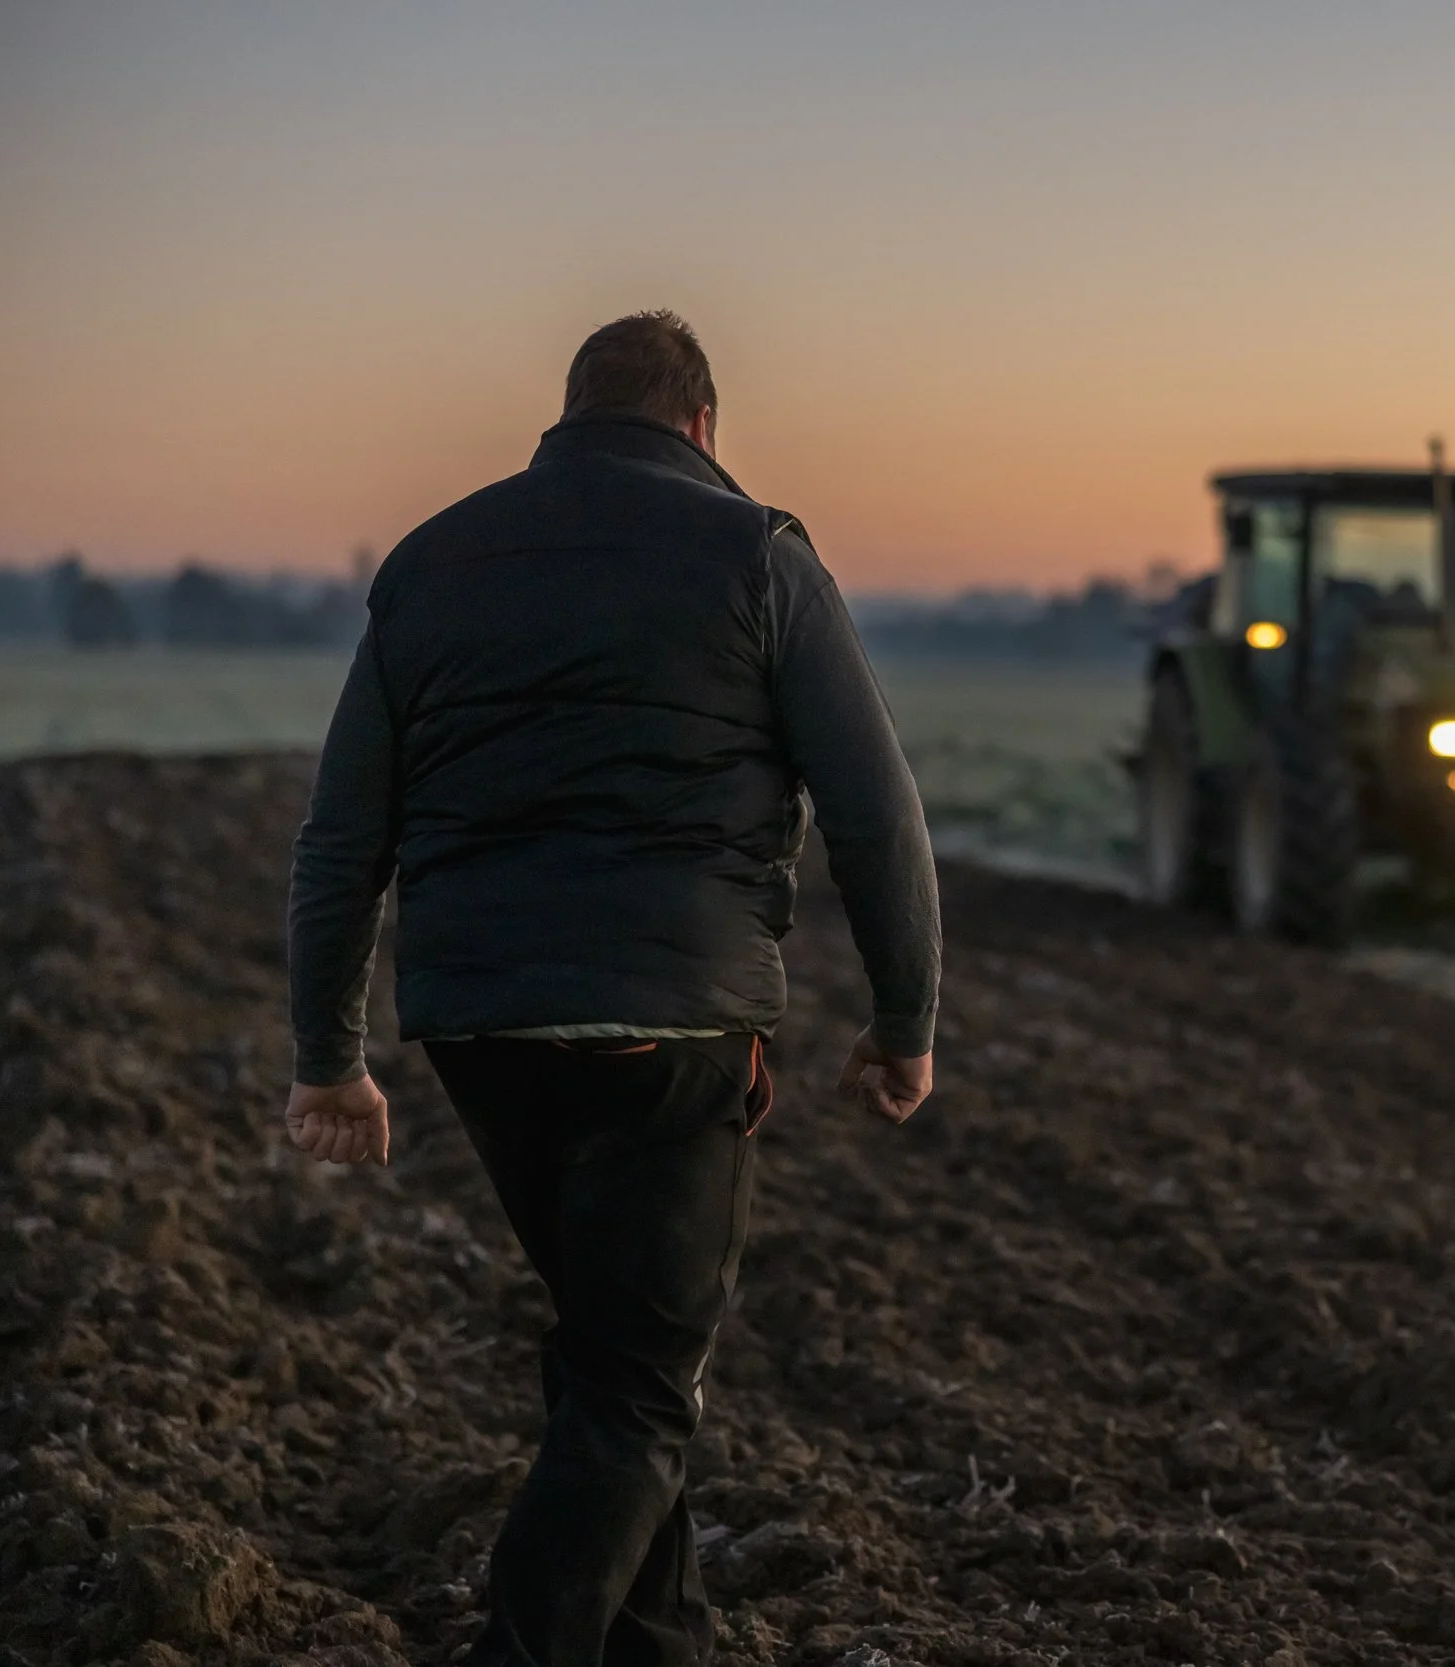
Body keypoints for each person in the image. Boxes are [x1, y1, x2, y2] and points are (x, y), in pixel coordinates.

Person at [282, 310, 940, 1666]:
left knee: (616, 1352)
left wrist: (327, 1053)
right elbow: (876, 814)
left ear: (570, 414)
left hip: (479, 1026)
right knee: (640, 1388)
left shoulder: (429, 561)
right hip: (672, 1027)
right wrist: (904, 1021)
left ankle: (664, 1643)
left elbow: (344, 833)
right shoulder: (759, 553)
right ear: (701, 426)